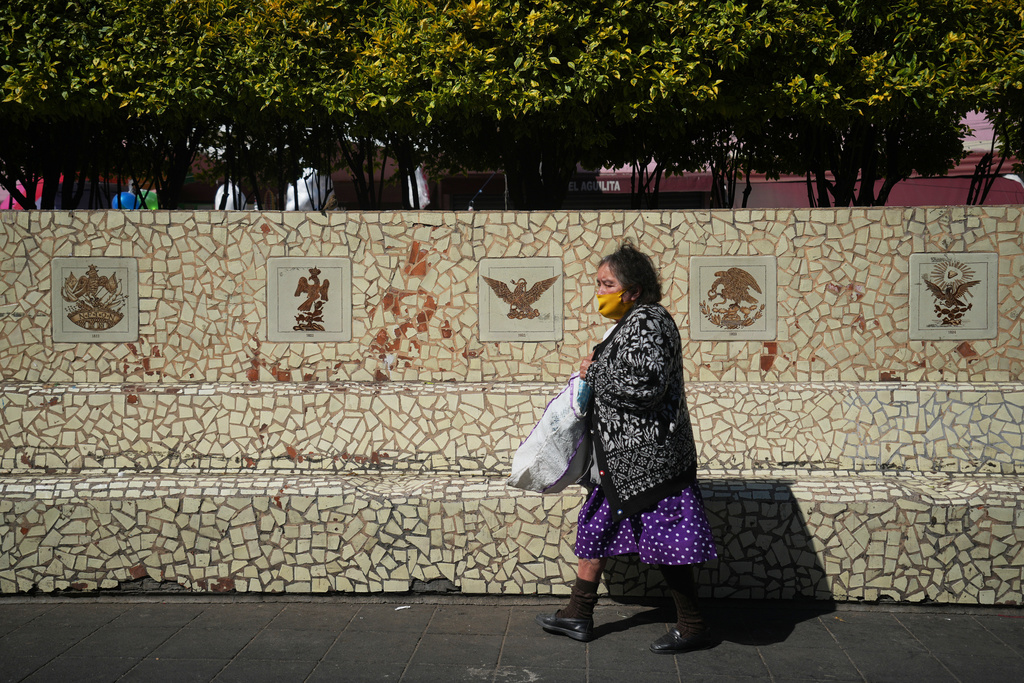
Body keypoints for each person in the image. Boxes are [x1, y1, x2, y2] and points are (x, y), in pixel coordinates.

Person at [536, 242, 718, 654]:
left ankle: (693, 625)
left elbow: (646, 386)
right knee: (595, 529)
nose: (599, 292)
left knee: (668, 540)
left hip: (651, 462)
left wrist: (595, 371)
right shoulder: (629, 323)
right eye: (598, 283)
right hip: (619, 463)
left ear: (633, 290)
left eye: (607, 284)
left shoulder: (650, 322)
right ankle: (578, 613)